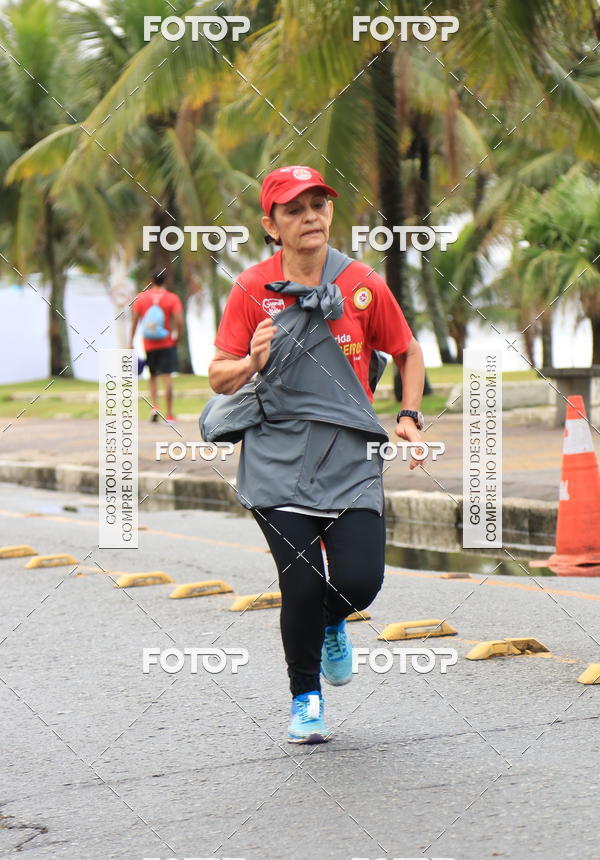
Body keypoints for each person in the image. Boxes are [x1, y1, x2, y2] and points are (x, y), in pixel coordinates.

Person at [208, 165, 425, 744]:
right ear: (271, 225)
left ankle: (333, 622)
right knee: (300, 583)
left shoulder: (360, 283)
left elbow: (407, 351)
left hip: (350, 455)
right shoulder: (251, 288)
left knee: (360, 580)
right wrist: (251, 361)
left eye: (318, 205)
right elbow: (217, 377)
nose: (310, 217)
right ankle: (305, 697)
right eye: (294, 209)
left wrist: (407, 414)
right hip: (277, 456)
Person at [129, 272, 184, 422]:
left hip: (149, 344)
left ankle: (154, 407)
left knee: (152, 376)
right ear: (165, 280)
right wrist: (177, 338)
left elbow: (134, 321)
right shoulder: (172, 298)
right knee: (167, 377)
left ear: (151, 280)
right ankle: (170, 414)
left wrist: (131, 342)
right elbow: (179, 321)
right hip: (167, 342)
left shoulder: (141, 298)